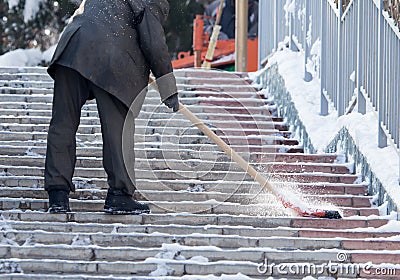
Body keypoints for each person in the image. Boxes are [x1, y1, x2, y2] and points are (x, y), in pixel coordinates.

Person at [45, 0, 179, 214]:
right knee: (119, 128)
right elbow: (153, 40)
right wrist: (168, 86)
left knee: (63, 123)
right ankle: (119, 194)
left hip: (71, 47)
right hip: (111, 56)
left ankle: (57, 194)